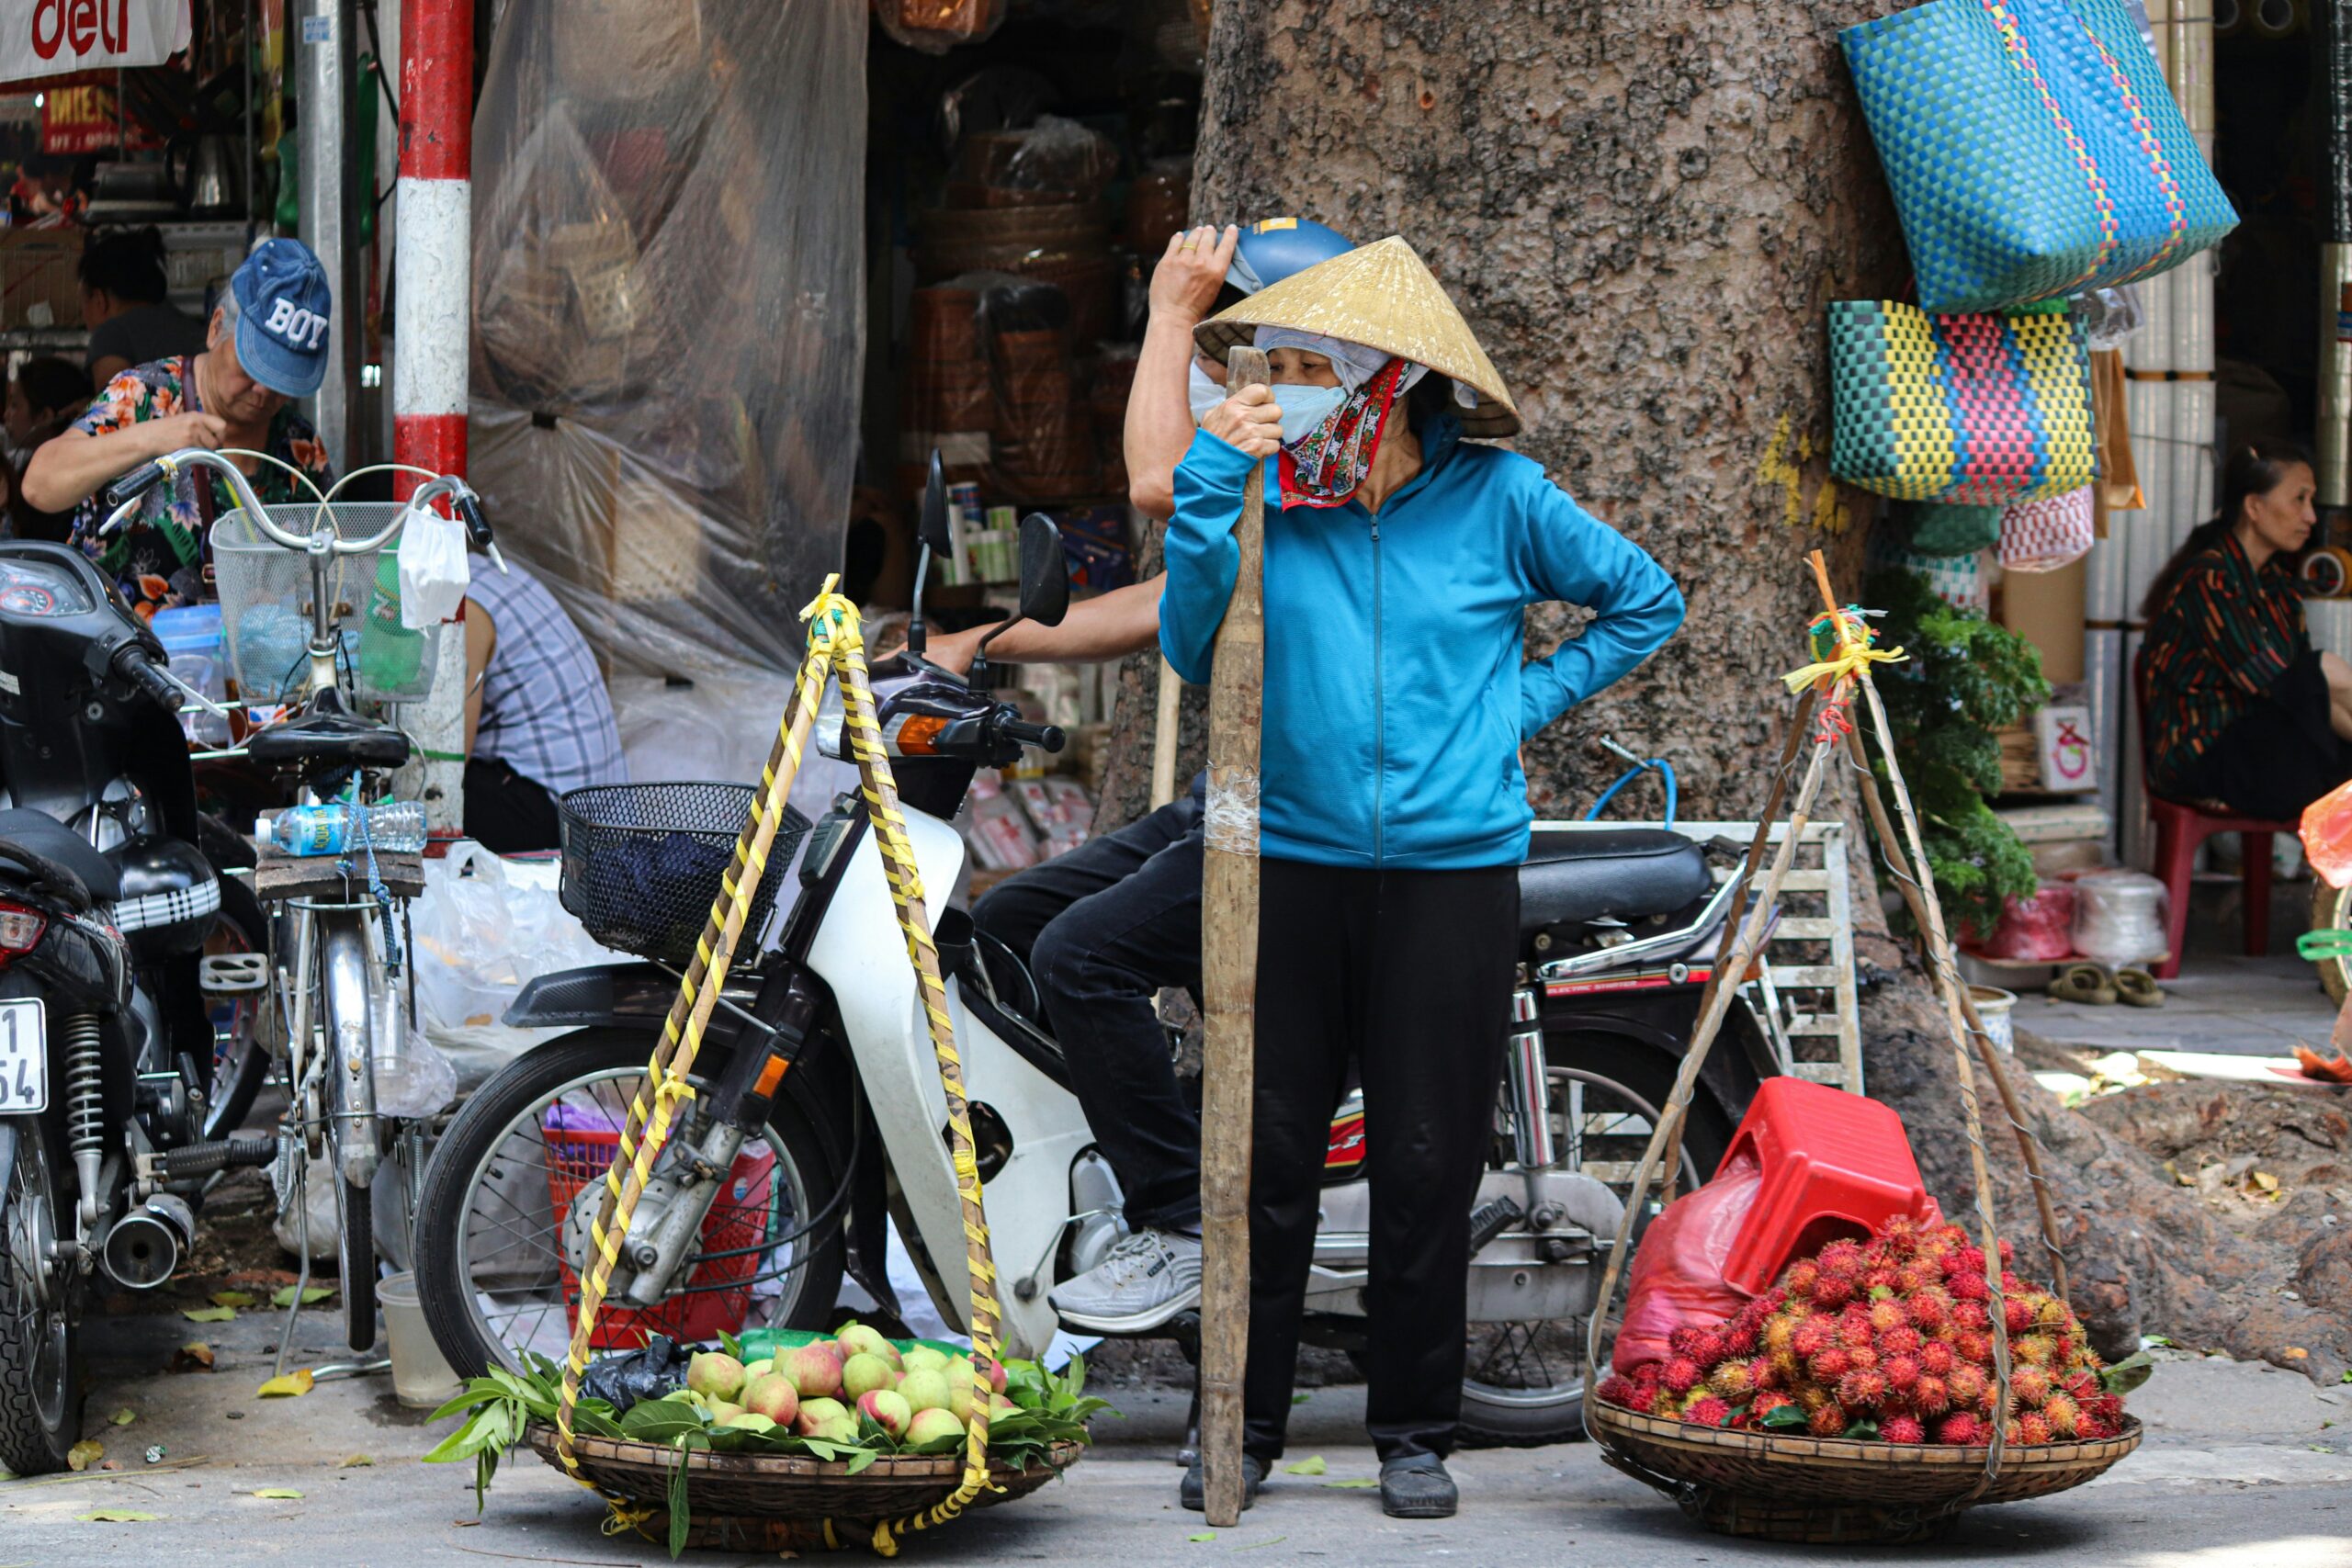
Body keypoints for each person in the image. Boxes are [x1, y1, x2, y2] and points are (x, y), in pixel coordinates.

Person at [1159, 238, 1682, 1517]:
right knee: (1269, 1148)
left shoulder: (1503, 499)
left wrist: (1516, 704)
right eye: (1269, 364)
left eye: (1300, 366)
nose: (1277, 385)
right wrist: (1212, 481)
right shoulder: (1264, 488)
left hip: (1454, 874)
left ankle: (1413, 1431)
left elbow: (1643, 601)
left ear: (1381, 382)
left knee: (1429, 1155)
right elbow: (1185, 643)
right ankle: (1244, 1418)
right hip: (1289, 864)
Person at [931, 220, 1352, 1343]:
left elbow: (1158, 482)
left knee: (1083, 953)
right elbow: (1170, 596)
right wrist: (984, 643)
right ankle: (1141, 1142)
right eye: (1233, 351)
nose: (1242, 378)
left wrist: (1167, 315)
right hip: (1245, 786)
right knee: (1013, 917)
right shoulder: (1280, 441)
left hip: (1314, 815)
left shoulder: (1332, 441)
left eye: (1265, 352)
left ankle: (1177, 1217)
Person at [24, 238, 336, 619]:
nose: (263, 391)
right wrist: (155, 436)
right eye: (253, 368)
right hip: (130, 668)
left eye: (282, 379)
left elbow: (327, 580)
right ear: (216, 328)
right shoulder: (142, 396)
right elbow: (39, 485)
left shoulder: (299, 448)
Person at [2142, 443, 2342, 819]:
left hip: (2261, 745)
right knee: (2323, 671)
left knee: (2343, 754)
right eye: (2299, 499)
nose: (2311, 517)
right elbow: (2274, 683)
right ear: (2254, 507)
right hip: (2205, 759)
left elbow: (2304, 693)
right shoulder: (2210, 581)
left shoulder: (2279, 588)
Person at [461, 553, 628, 852]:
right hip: (594, 803)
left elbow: (450, 749)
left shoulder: (467, 606)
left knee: (417, 806)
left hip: (560, 815)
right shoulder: (488, 571)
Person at [78, 227, 209, 389]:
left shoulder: (110, 334)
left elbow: (115, 408)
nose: (83, 316)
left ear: (100, 300)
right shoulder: (193, 329)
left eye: (83, 304)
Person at [4, 355, 92, 542]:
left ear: (45, 416)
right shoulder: (19, 462)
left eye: (14, 405)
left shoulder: (46, 477)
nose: (6, 415)